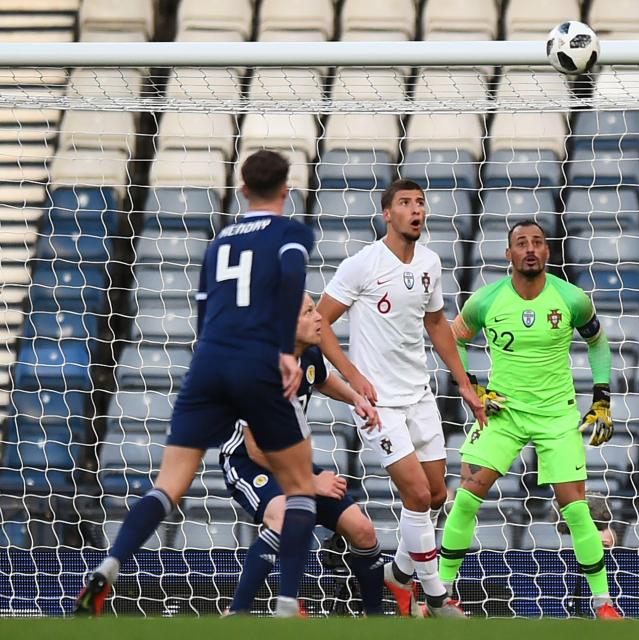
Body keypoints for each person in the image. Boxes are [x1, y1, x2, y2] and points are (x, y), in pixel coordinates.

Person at [76, 150, 318, 618]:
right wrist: (285, 352)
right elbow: (291, 273)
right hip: (257, 360)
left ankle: (111, 562)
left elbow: (204, 309)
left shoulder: (220, 240)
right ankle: (288, 603)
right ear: (286, 190)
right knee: (302, 488)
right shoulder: (291, 233)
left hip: (208, 361)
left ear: (243, 189)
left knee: (168, 485)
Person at [316, 178, 486, 618]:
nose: (416, 210)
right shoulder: (362, 264)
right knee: (413, 493)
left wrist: (464, 383)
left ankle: (398, 574)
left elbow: (436, 325)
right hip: (379, 405)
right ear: (387, 213)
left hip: (419, 395)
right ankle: (437, 597)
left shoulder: (430, 262)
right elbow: (319, 323)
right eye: (406, 203)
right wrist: (352, 377)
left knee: (434, 497)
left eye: (420, 203)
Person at [438, 219, 623, 620]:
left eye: (537, 242)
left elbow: (598, 343)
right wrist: (472, 386)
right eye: (521, 243)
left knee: (575, 509)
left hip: (556, 416)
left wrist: (602, 398)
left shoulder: (572, 299)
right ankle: (441, 596)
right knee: (467, 497)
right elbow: (453, 338)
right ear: (509, 254)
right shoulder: (485, 301)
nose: (530, 249)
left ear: (547, 252)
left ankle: (603, 603)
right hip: (502, 413)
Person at [222, 294, 384, 616]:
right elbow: (256, 449)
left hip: (290, 459)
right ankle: (235, 614)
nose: (320, 317)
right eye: (310, 312)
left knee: (363, 531)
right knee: (284, 516)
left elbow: (321, 380)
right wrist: (310, 482)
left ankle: (375, 622)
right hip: (247, 460)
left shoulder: (309, 353)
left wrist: (356, 399)